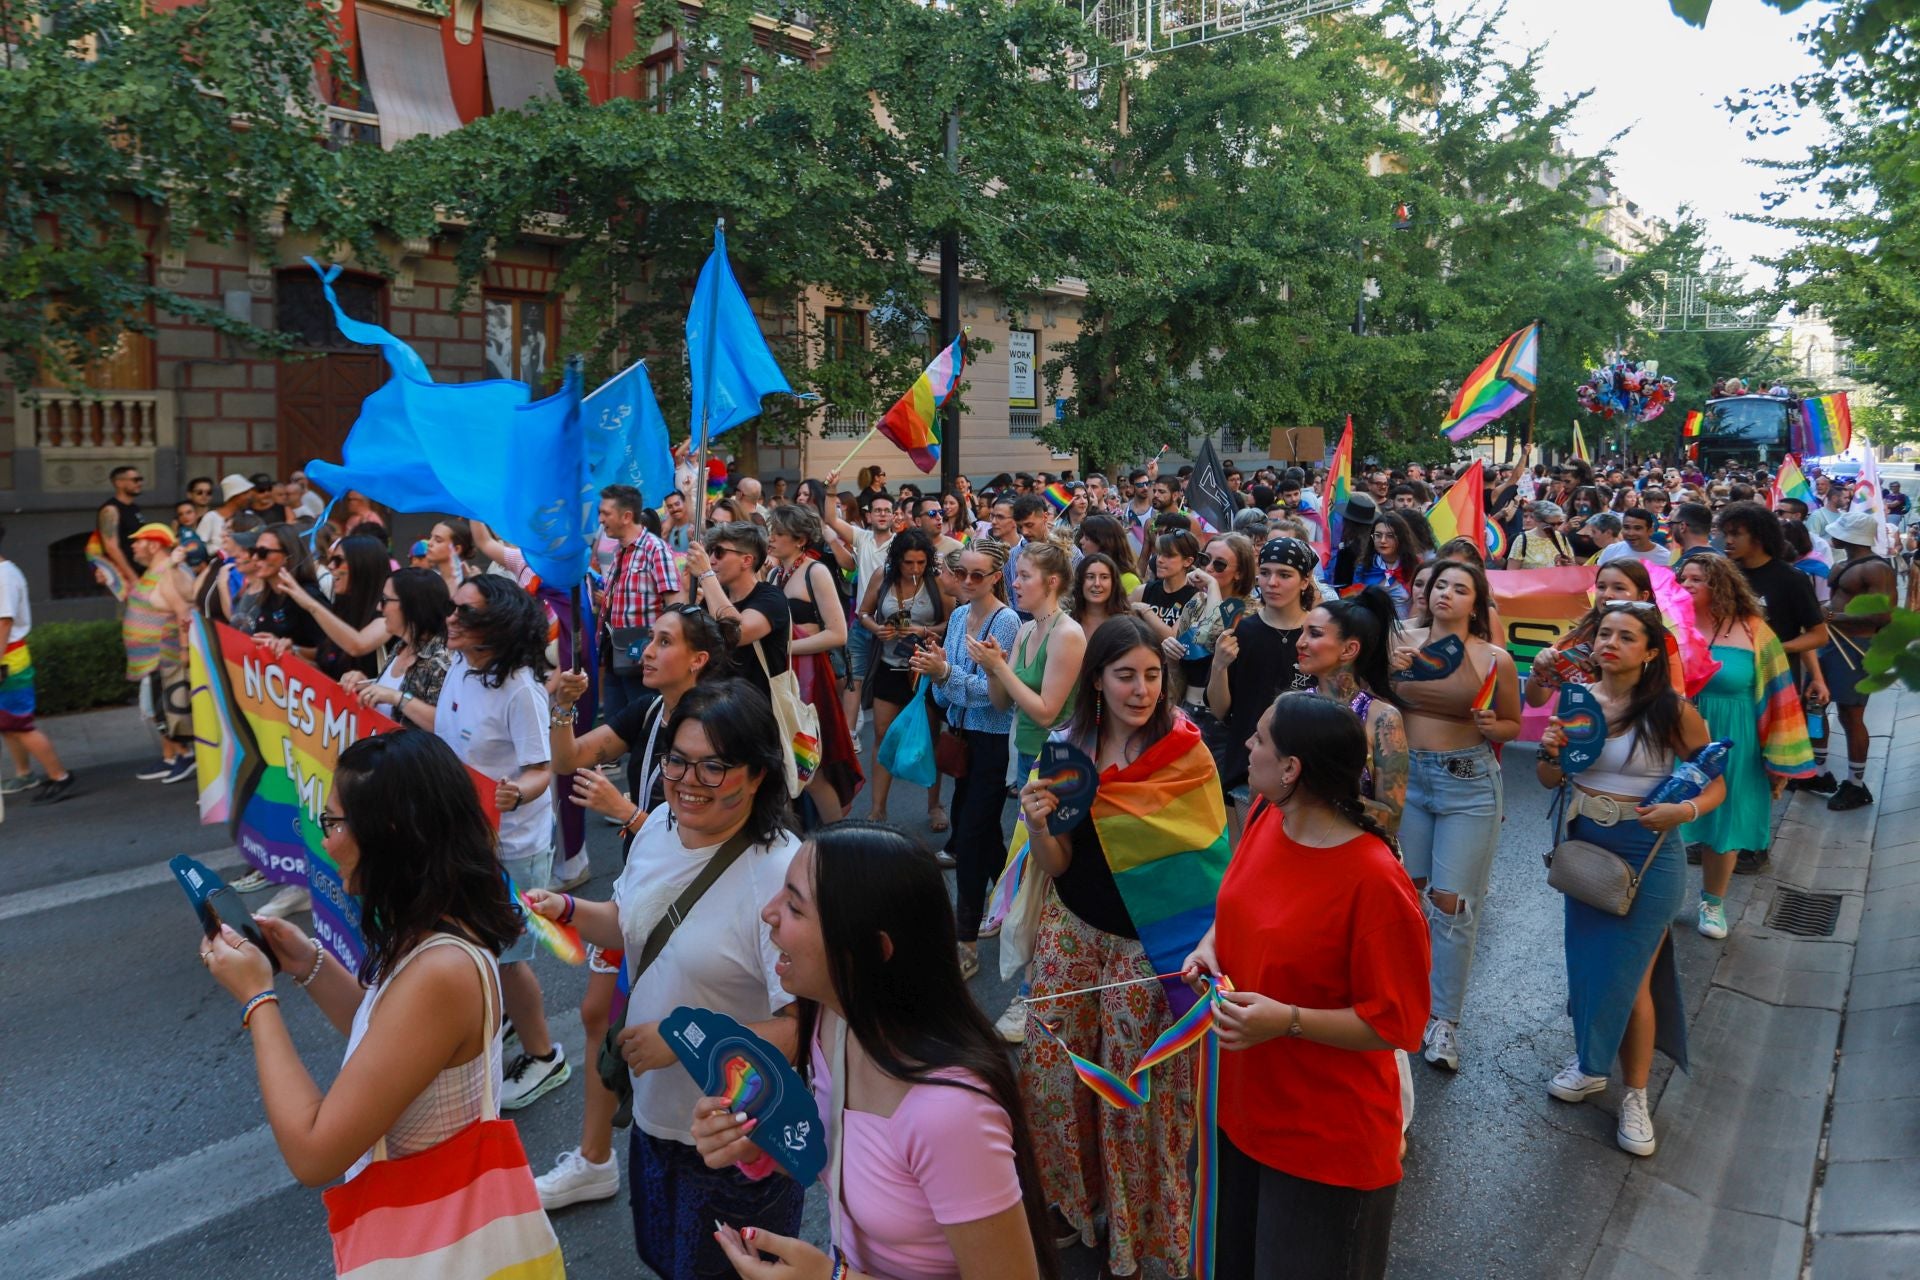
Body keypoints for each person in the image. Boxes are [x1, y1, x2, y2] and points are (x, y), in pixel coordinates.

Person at [524, 682, 805, 1279]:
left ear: (756, 775)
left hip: (738, 1139)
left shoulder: (782, 872)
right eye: (677, 759)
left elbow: (804, 1026)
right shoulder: (657, 829)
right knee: (663, 1258)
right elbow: (633, 923)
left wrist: (681, 1039)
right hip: (655, 1120)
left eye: (714, 766)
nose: (687, 779)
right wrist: (569, 911)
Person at [691, 822, 1057, 1280]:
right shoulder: (834, 1019)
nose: (768, 912)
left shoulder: (950, 1114)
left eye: (795, 907)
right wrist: (754, 1146)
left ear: (870, 950)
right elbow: (846, 1153)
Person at [194, 730, 527, 1194]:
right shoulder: (440, 923)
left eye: (333, 822)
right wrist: (307, 961)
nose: (326, 841)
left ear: (389, 834)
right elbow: (392, 1041)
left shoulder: (441, 970)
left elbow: (314, 1155)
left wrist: (258, 998)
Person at [1181, 693, 1428, 1278]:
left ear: (1291, 769)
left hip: (1322, 1144)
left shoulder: (1374, 881)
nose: (1247, 744)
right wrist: (1210, 947)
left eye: (1261, 739)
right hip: (1236, 1113)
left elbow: (1397, 1024)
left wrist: (1286, 1020)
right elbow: (1239, 905)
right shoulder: (1271, 816)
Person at [1015, 617, 1221, 1277]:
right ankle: (1073, 1207)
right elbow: (1057, 861)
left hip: (1148, 950)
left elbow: (1213, 869)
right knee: (1054, 1076)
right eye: (1125, 675)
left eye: (1152, 676)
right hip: (1070, 933)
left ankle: (1137, 1239)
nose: (1140, 690)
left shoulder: (1188, 754)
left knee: (1135, 1095)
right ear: (1097, 682)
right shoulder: (1066, 749)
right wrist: (1038, 824)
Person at [531, 604, 738, 1212]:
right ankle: (597, 1158)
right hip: (640, 891)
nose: (645, 650)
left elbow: (713, 838)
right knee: (603, 1013)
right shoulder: (649, 710)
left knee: (681, 1031)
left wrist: (626, 812)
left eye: (663, 641)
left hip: (692, 901)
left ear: (698, 660)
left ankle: (711, 1157)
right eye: (649, 638)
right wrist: (564, 704)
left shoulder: (717, 724)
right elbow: (570, 759)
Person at [1536, 604, 1726, 1156]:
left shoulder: (1673, 711)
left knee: (1634, 979)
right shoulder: (1577, 702)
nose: (1611, 643)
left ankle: (1636, 1096)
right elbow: (1551, 777)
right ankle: (1592, 1066)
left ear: (1650, 653)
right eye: (1605, 634)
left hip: (1650, 855)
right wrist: (1550, 752)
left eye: (1627, 636)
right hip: (1586, 848)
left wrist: (1684, 813)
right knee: (1589, 965)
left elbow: (1715, 783)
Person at [429, 575, 570, 1108]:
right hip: (463, 835)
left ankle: (544, 1056)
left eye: (464, 613)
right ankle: (501, 1020)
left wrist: (515, 792)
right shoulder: (461, 666)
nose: (451, 620)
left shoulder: (522, 691)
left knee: (509, 958)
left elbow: (542, 768)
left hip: (512, 845)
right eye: (453, 608)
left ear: (496, 625)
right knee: (475, 944)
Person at [1389, 561, 1522, 1071]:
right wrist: (1388, 669)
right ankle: (1404, 1000)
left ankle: (1444, 1021)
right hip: (1406, 780)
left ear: (1477, 602)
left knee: (1452, 904)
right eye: (1440, 584)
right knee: (1405, 896)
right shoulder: (1400, 639)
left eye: (1460, 588)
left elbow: (1512, 725)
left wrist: (1494, 724)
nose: (1446, 593)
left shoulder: (1494, 659)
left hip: (1467, 784)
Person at [1677, 555, 1814, 923]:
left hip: (1735, 739)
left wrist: (1778, 759)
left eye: (1697, 579)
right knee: (1667, 819)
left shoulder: (1755, 631)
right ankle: (1664, 898)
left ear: (1721, 586)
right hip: (1675, 735)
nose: (1686, 584)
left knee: (1726, 821)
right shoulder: (1671, 626)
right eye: (1683, 578)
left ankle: (1713, 905)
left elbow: (1780, 696)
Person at [914, 537, 1021, 979]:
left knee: (973, 838)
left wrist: (946, 675)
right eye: (961, 573)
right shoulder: (958, 616)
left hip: (991, 743)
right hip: (959, 737)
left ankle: (966, 940)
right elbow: (946, 693)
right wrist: (942, 675)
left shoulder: (1008, 620)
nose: (968, 581)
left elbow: (998, 698)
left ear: (997, 577)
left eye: (978, 575)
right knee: (978, 827)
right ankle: (1016, 900)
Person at [764, 503, 863, 823]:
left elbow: (838, 634)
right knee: (786, 764)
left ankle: (836, 841)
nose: (772, 539)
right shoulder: (777, 573)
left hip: (811, 681)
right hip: (785, 679)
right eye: (772, 532)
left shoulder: (816, 571)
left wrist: (788, 647)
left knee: (810, 764)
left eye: (779, 534)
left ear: (800, 539)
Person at [1207, 537, 1318, 801]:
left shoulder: (1318, 634)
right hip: (1247, 770)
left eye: (1284, 574)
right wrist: (1219, 666)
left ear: (1304, 581)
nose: (1272, 582)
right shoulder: (1242, 631)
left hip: (1307, 773)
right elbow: (1220, 710)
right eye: (1265, 573)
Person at [848, 527, 946, 822]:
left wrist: (923, 630)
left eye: (920, 562)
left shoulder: (936, 580)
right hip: (890, 667)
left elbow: (951, 621)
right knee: (882, 735)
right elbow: (862, 612)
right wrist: (875, 628)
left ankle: (934, 806)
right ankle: (878, 808)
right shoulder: (883, 575)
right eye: (908, 562)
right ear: (897, 560)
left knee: (929, 738)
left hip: (925, 669)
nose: (915, 568)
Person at [1295, 586, 1410, 837]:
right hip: (1296, 847)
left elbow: (1391, 818)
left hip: (1355, 854)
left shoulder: (1382, 719)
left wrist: (1323, 792)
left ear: (1349, 650)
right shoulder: (1290, 708)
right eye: (1302, 632)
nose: (1300, 642)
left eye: (1314, 634)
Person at [976, 541, 1086, 779]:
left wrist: (999, 667)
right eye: (1017, 575)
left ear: (1052, 582)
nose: (1015, 583)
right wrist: (991, 671)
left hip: (1055, 760)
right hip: (1024, 752)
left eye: (1025, 576)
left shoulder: (1067, 634)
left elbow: (1046, 713)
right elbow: (1002, 704)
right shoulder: (1025, 629)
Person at [1815, 510, 1895, 811]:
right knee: (1815, 705)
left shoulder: (1877, 569)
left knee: (1851, 715)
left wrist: (1834, 616)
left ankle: (1856, 784)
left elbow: (1883, 614)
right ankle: (1819, 772)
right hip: (1830, 642)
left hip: (1857, 647)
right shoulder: (1842, 563)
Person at [1717, 500, 1830, 710]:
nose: (1728, 541)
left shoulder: (1792, 579)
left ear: (1759, 537)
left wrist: (1773, 649)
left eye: (1736, 534)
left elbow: (1817, 634)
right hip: (1728, 680)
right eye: (1726, 534)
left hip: (1776, 680)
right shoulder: (1723, 574)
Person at [597, 484, 687, 726]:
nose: (601, 520)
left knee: (646, 726)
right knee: (618, 728)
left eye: (606, 513)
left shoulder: (655, 549)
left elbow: (675, 606)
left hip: (643, 657)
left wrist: (656, 648)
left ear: (626, 516)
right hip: (615, 652)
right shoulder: (621, 551)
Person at [0, 522, 76, 802]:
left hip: (9, 659)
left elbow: (4, 623)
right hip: (8, 656)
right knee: (7, 723)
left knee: (20, 723)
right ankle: (24, 774)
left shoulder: (4, 577)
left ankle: (60, 776)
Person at [120, 524, 196, 784]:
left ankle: (186, 755)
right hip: (152, 658)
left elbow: (183, 612)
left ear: (154, 545)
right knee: (156, 708)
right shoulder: (154, 570)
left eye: (138, 541)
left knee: (168, 709)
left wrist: (184, 651)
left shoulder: (168, 572)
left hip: (165, 657)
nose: (133, 546)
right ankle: (173, 756)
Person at [686, 521, 792, 708]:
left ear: (747, 560)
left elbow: (736, 632)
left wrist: (706, 574)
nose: (711, 560)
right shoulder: (715, 596)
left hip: (755, 709)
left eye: (719, 552)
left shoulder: (771, 598)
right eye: (709, 552)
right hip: (714, 703)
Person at [338, 567, 452, 729]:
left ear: (412, 606)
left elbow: (446, 724)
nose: (379, 607)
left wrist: (397, 698)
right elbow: (389, 692)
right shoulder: (402, 644)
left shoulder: (443, 659)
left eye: (385, 600)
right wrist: (365, 684)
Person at [276, 535, 389, 685]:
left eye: (338, 560)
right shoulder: (342, 608)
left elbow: (357, 645)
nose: (330, 566)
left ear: (362, 565)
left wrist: (311, 604)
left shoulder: (388, 614)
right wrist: (293, 653)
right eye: (331, 560)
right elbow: (326, 671)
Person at [94, 464, 147, 589]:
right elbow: (111, 547)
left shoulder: (134, 508)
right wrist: (132, 577)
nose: (139, 483)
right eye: (135, 480)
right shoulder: (110, 510)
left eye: (140, 479)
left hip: (141, 572)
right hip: (123, 580)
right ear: (119, 483)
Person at [1075, 513, 1144, 597]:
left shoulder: (1128, 580)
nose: (1081, 541)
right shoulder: (1083, 572)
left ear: (1104, 543)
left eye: (1087, 538)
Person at [1066, 551, 1127, 635]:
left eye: (1104, 577)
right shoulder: (1067, 622)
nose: (1097, 583)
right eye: (1090, 577)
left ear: (1113, 582)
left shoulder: (1126, 626)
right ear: (1080, 581)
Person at [194, 474, 252, 550]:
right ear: (235, 496)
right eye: (245, 493)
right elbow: (198, 545)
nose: (249, 497)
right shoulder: (211, 517)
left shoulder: (249, 515)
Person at [424, 517, 476, 596]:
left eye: (438, 540)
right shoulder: (429, 581)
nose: (429, 543)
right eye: (430, 537)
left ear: (456, 549)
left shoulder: (469, 588)